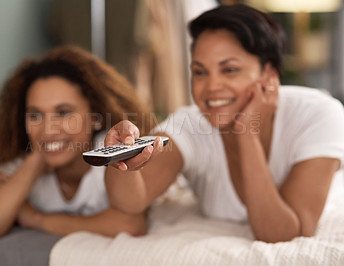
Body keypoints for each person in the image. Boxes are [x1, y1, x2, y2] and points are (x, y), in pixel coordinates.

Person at [104, 4, 344, 243]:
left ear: (269, 75)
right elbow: (130, 201)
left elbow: (282, 234)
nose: (211, 87)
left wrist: (247, 134)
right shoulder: (187, 125)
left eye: (229, 70)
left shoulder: (319, 114)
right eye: (200, 72)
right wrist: (125, 160)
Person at [0, 45, 152, 244]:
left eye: (63, 112)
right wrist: (36, 163)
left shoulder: (111, 150)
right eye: (35, 115)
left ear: (96, 117)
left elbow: (130, 225)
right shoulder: (24, 165)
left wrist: (36, 218)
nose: (48, 130)